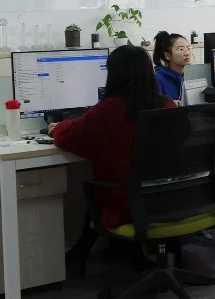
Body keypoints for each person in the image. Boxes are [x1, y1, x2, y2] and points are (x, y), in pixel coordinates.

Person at [50, 45, 176, 273]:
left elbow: (69, 137)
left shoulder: (108, 111)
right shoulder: (166, 105)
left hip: (125, 206)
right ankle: (118, 256)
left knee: (99, 190)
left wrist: (57, 127)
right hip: (171, 201)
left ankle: (79, 256)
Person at [153, 31, 191, 101]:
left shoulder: (193, 76)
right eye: (180, 49)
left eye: (188, 48)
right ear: (167, 56)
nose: (187, 53)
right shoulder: (158, 80)